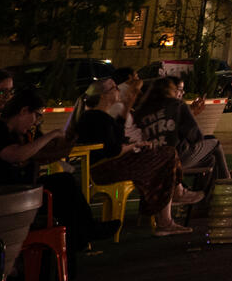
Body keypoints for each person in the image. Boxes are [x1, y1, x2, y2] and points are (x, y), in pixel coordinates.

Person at [0, 89, 115, 250]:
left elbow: (45, 153)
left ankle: (81, 235)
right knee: (62, 187)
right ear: (24, 111)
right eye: (37, 115)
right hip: (5, 196)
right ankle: (83, 234)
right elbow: (15, 155)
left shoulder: (26, 134)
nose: (36, 122)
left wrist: (68, 140)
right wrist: (51, 135)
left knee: (64, 182)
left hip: (27, 192)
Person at [71, 79, 195, 235]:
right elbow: (113, 150)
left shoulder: (98, 116)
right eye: (114, 88)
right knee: (167, 155)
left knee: (164, 158)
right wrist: (134, 146)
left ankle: (167, 217)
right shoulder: (96, 118)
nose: (118, 90)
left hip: (109, 165)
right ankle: (171, 207)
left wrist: (137, 143)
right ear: (103, 96)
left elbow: (116, 138)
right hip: (105, 169)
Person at [132, 75, 229, 180]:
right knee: (215, 143)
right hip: (173, 159)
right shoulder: (176, 105)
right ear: (171, 90)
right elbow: (195, 137)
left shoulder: (140, 111)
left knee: (210, 160)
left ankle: (200, 193)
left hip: (149, 162)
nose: (182, 93)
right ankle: (227, 181)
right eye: (179, 90)